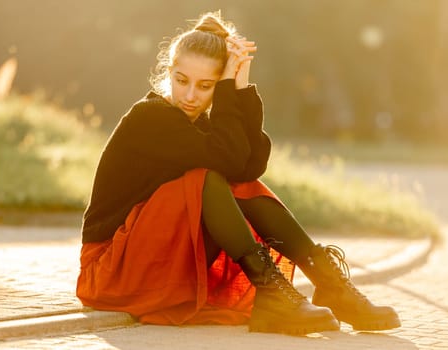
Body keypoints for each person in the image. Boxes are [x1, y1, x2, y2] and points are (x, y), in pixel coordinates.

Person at [76, 11, 400, 335]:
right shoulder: (152, 117)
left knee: (237, 182)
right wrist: (228, 89)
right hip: (109, 267)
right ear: (169, 72)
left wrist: (241, 86)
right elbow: (228, 159)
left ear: (219, 85)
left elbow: (248, 167)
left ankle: (329, 283)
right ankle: (273, 293)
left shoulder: (199, 126)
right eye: (181, 80)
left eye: (206, 86)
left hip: (153, 256)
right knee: (206, 179)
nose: (190, 96)